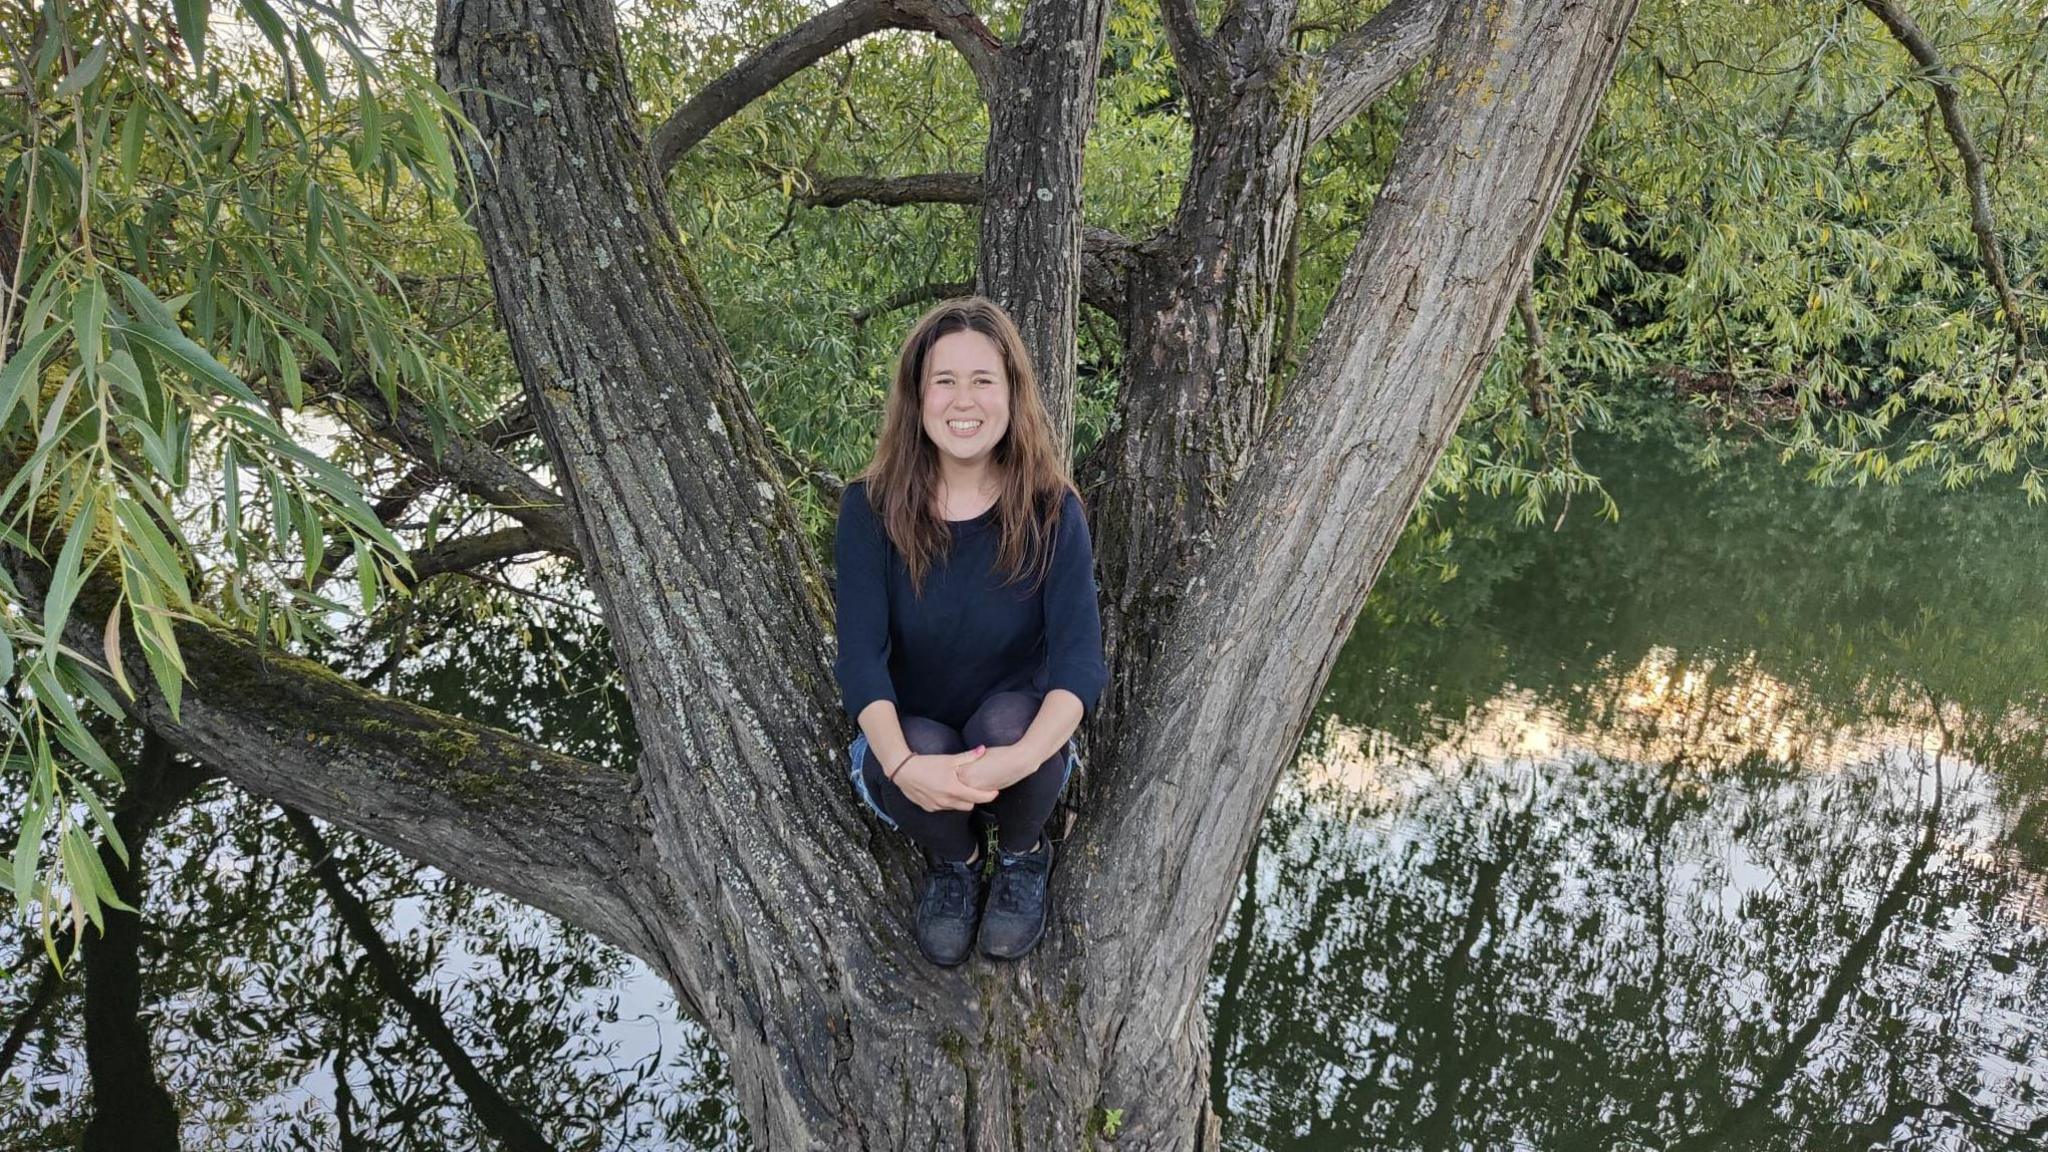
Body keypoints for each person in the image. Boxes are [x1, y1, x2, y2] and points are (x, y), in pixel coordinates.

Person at [832, 295, 1108, 967]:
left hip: (1013, 738)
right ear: (917, 396)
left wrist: (1020, 760)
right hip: (920, 737)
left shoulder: (1051, 508)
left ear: (1012, 395)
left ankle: (1019, 854)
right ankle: (956, 862)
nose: (964, 401)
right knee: (899, 748)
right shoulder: (868, 507)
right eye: (944, 381)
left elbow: (1079, 663)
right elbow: (861, 659)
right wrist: (902, 763)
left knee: (1016, 729)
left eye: (983, 381)